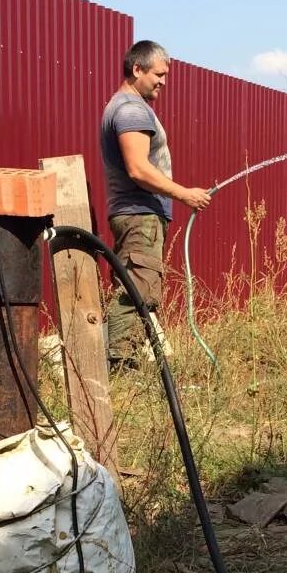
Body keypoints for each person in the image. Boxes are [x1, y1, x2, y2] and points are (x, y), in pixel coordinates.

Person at [99, 40, 211, 368]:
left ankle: (130, 364)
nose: (164, 81)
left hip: (139, 215)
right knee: (134, 293)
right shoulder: (131, 110)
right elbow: (138, 168)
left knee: (140, 291)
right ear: (137, 69)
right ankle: (122, 368)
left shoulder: (126, 106)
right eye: (159, 74)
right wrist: (183, 193)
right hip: (139, 216)